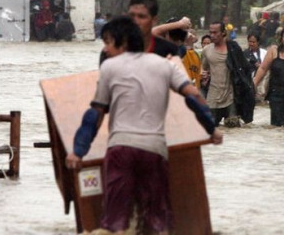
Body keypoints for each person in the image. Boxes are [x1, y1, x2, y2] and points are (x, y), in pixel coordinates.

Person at [66, 16, 223, 234]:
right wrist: (211, 129)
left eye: (108, 43)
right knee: (156, 221)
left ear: (123, 43)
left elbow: (95, 114)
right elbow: (194, 97)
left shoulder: (110, 67)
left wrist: (79, 150)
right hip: (154, 150)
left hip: (120, 149)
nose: (105, 50)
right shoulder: (166, 66)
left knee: (114, 222)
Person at [202, 21, 255, 127]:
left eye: (215, 32)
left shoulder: (233, 49)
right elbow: (203, 68)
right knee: (209, 128)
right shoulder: (207, 50)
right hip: (213, 97)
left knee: (234, 129)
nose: (212, 35)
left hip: (231, 98)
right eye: (210, 32)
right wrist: (203, 75)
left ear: (223, 33)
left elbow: (245, 70)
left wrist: (250, 90)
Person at [243, 33, 269, 103]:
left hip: (264, 75)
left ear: (258, 42)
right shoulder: (244, 54)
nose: (251, 44)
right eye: (250, 41)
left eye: (253, 42)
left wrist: (261, 66)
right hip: (251, 75)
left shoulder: (264, 52)